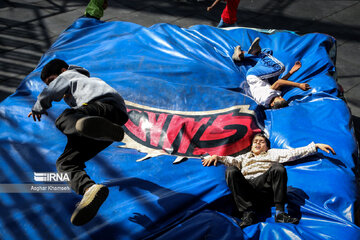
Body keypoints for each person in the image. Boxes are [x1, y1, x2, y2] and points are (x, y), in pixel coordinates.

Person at [28, 59, 129, 226]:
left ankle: (93, 127)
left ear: (62, 71)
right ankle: (89, 189)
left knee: (65, 118)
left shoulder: (70, 75)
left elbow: (52, 90)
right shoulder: (77, 90)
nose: (54, 84)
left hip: (104, 108)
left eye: (52, 79)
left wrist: (39, 106)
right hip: (108, 127)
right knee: (65, 163)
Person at [201, 133, 335, 228]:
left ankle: (280, 213)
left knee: (278, 167)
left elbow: (293, 153)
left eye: (261, 141)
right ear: (252, 146)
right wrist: (216, 157)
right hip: (247, 190)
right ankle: (248, 213)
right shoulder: (245, 157)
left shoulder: (273, 153)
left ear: (267, 146)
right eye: (255, 142)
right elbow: (231, 160)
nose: (258, 143)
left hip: (266, 188)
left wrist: (315, 146)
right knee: (230, 171)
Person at [232, 37, 311, 109]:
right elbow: (281, 83)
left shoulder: (266, 97)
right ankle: (241, 56)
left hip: (255, 75)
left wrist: (299, 85)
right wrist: (291, 72)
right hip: (256, 75)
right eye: (281, 97)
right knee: (268, 51)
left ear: (272, 104)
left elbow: (279, 82)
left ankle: (257, 53)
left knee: (279, 68)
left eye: (279, 98)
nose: (280, 96)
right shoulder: (269, 101)